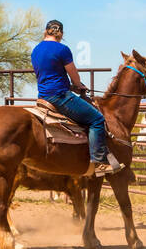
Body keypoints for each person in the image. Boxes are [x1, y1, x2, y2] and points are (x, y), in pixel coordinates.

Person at [30, 19, 122, 176]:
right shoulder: (62, 50)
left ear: (45, 31)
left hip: (43, 97)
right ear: (61, 33)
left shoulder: (36, 50)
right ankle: (99, 162)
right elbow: (74, 75)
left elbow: (48, 74)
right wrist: (78, 85)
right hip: (60, 96)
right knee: (97, 119)